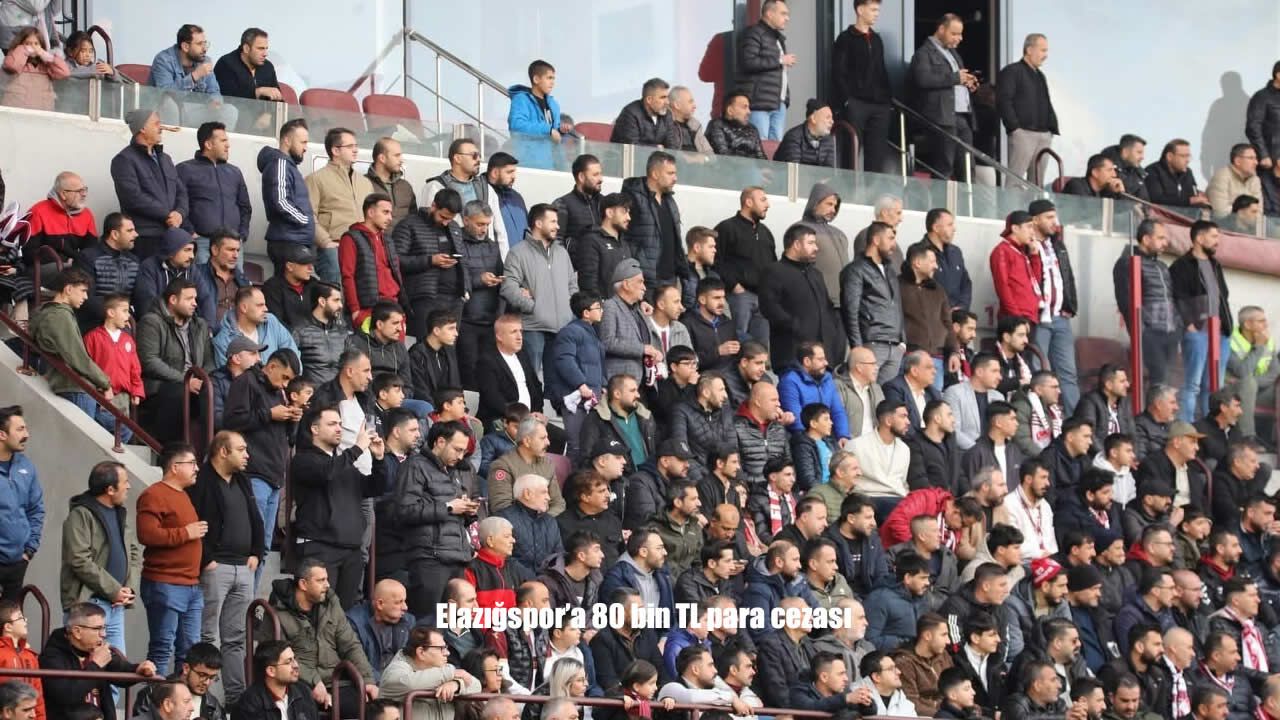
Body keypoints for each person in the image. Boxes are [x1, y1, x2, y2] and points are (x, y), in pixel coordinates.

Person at [187, 431, 260, 703]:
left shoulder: (243, 480)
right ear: (223, 452)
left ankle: (235, 699)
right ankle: (205, 698)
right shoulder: (201, 481)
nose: (247, 455)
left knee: (236, 638)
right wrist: (207, 559)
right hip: (216, 567)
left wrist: (257, 553)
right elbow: (194, 520)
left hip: (244, 567)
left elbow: (256, 518)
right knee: (208, 635)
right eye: (241, 449)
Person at [378, 421, 478, 616]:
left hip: (457, 557)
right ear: (440, 442)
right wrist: (449, 507)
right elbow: (405, 511)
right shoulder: (415, 466)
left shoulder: (455, 471)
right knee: (429, 622)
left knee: (457, 623)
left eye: (463, 452)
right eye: (457, 449)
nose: (460, 457)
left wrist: (466, 511)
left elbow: (450, 514)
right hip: (430, 559)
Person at [292, 405, 384, 609]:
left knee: (344, 615)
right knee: (319, 612)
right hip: (320, 548)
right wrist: (358, 448)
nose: (339, 429)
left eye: (341, 424)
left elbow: (374, 488)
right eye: (332, 424)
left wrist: (379, 460)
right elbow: (326, 472)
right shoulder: (303, 459)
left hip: (351, 551)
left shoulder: (344, 464)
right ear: (315, 429)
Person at [264, 558, 377, 714]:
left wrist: (367, 680)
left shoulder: (331, 603)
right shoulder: (277, 611)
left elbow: (350, 645)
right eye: (321, 580)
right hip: (298, 681)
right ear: (303, 584)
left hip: (336, 679)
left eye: (327, 579)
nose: (327, 585)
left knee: (370, 704)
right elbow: (277, 657)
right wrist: (314, 681)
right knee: (304, 706)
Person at [135, 443, 206, 676]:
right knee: (162, 648)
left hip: (190, 584)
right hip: (165, 583)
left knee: (190, 653)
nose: (197, 468)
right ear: (175, 467)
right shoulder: (154, 494)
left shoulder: (183, 495)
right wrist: (186, 533)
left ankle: (182, 697)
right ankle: (155, 698)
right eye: (192, 463)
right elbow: (147, 534)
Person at [60, 461, 139, 661]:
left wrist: (128, 589)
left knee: (117, 667)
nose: (129, 486)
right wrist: (114, 589)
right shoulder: (80, 515)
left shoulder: (120, 513)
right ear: (110, 489)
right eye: (125, 482)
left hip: (116, 606)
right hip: (88, 605)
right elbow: (78, 559)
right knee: (86, 665)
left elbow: (134, 552)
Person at [39, 602, 157, 720]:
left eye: (104, 628)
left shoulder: (93, 649)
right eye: (97, 629)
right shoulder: (52, 657)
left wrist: (138, 669)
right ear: (77, 632)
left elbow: (119, 671)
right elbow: (66, 696)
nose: (103, 634)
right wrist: (96, 665)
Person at [761, 223, 846, 371]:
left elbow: (827, 307)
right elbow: (769, 307)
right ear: (796, 244)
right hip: (792, 354)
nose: (816, 248)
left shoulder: (816, 274)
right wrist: (796, 326)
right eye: (811, 243)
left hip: (823, 356)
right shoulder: (774, 271)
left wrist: (833, 332)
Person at [501, 204, 577, 371]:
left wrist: (569, 310)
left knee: (558, 380)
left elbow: (572, 284)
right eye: (553, 222)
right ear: (538, 223)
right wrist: (533, 307)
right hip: (533, 329)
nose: (558, 226)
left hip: (562, 328)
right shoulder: (518, 252)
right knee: (532, 378)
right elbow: (508, 287)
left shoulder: (562, 253)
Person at [1172, 220, 1232, 421]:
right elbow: (1177, 298)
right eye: (1214, 236)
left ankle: (1210, 429)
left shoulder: (1216, 264)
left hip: (1221, 334)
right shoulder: (1181, 266)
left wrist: (1227, 326)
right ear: (1199, 238)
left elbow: (1223, 297)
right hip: (1198, 333)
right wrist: (1190, 326)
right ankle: (1186, 428)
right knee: (1192, 384)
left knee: (1214, 386)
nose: (1217, 241)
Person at [909, 14, 978, 180]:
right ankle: (940, 198)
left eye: (960, 34)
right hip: (941, 118)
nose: (959, 38)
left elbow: (956, 79)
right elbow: (923, 80)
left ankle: (967, 198)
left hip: (961, 117)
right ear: (941, 29)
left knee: (968, 167)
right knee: (944, 166)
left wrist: (968, 82)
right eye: (954, 34)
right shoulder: (923, 53)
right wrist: (955, 78)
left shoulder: (953, 54)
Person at [1113, 220, 1181, 388]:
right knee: (1159, 377)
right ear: (1146, 239)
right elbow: (1126, 301)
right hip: (1149, 332)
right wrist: (1140, 330)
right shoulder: (1128, 263)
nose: (1165, 243)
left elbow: (1171, 298)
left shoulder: (1162, 266)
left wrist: (1178, 326)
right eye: (1160, 238)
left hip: (1170, 331)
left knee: (1169, 379)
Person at [394, 189, 468, 341]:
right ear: (433, 206)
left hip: (454, 298)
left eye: (451, 218)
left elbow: (463, 261)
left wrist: (466, 289)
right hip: (425, 297)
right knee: (426, 344)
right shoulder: (409, 225)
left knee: (449, 346)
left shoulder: (454, 227)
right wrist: (430, 261)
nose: (446, 222)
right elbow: (396, 261)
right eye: (443, 217)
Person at [177, 123, 251, 267]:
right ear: (208, 144)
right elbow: (178, 203)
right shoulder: (185, 170)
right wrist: (190, 232)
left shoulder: (234, 172)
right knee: (203, 281)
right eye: (223, 141)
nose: (228, 145)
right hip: (202, 242)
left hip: (233, 244)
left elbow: (245, 207)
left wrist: (242, 235)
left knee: (236, 281)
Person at [308, 127, 375, 284]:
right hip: (334, 248)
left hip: (364, 248)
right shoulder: (316, 179)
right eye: (350, 146)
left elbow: (373, 216)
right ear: (335, 151)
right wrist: (326, 242)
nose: (356, 150)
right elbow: (308, 215)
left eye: (356, 146)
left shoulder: (365, 183)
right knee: (335, 293)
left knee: (364, 294)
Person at [831, 0, 892, 172]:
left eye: (877, 10)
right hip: (856, 104)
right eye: (873, 9)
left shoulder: (877, 39)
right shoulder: (845, 38)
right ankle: (848, 187)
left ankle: (873, 190)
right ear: (860, 10)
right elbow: (838, 72)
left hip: (880, 106)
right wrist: (847, 101)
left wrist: (887, 101)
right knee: (851, 152)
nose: (877, 14)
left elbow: (882, 71)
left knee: (877, 156)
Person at [712, 187, 774, 346]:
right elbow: (715, 260)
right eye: (763, 200)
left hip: (763, 299)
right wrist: (734, 285)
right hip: (740, 297)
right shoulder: (726, 228)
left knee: (761, 346)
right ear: (748, 202)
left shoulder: (765, 232)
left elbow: (773, 264)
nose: (768, 205)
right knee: (737, 341)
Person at [379, 626, 480, 720]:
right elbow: (409, 683)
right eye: (441, 648)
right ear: (421, 652)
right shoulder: (395, 670)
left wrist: (456, 684)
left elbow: (476, 685)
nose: (447, 653)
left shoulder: (442, 668)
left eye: (446, 647)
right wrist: (451, 673)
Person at [422, 139, 507, 250]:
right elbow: (426, 229)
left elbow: (500, 232)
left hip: (484, 254)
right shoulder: (435, 186)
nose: (479, 159)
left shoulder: (486, 188)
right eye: (474, 155)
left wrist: (503, 259)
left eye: (479, 155)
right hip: (451, 253)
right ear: (457, 158)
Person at [258, 118, 315, 277]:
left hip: (294, 240)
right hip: (288, 242)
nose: (305, 148)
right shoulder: (280, 164)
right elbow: (281, 201)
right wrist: (304, 220)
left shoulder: (288, 166)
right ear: (287, 141)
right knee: (287, 287)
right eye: (302, 142)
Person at [338, 193, 403, 330]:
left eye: (390, 213)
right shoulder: (350, 238)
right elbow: (347, 276)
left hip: (394, 307)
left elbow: (396, 274)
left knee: (397, 345)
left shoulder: (388, 240)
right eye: (385, 212)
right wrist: (355, 310)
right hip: (368, 309)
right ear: (371, 212)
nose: (390, 218)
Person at [997, 34, 1058, 180]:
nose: (1046, 55)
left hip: (1043, 134)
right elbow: (1003, 100)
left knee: (1037, 183)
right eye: (1043, 50)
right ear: (1029, 50)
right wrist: (1015, 128)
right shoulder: (1012, 71)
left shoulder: (1040, 75)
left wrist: (1050, 130)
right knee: (1015, 180)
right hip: (1023, 133)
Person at [622, 151, 683, 289]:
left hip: (670, 279)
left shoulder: (669, 200)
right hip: (645, 280)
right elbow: (624, 238)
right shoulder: (632, 198)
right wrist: (637, 268)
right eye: (670, 173)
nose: (675, 178)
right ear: (655, 174)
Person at [735, 0, 793, 141]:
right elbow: (748, 62)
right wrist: (779, 60)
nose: (787, 18)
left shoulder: (778, 39)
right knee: (760, 146)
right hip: (759, 104)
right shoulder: (753, 33)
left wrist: (785, 100)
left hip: (778, 103)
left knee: (775, 149)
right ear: (769, 13)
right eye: (783, 13)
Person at [23, 171, 98, 272]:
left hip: (75, 268)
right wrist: (63, 260)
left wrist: (75, 260)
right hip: (44, 269)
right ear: (63, 194)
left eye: (85, 190)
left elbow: (92, 250)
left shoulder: (87, 214)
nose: (84, 194)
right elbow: (28, 254)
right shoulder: (38, 211)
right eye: (79, 191)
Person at [75, 212, 140, 328]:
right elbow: (87, 296)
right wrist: (116, 316)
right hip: (93, 325)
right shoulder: (87, 257)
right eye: (130, 231)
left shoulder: (133, 260)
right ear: (114, 234)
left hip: (124, 322)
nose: (136, 234)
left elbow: (138, 296)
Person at [131, 642, 225, 720]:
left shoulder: (214, 707)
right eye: (202, 675)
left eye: (212, 677)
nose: (206, 682)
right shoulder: (151, 694)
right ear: (186, 668)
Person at [232, 641, 319, 720]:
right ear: (271, 671)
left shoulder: (303, 692)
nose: (296, 665)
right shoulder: (249, 704)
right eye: (288, 662)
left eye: (294, 659)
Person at [865, 550, 930, 650]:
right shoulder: (880, 599)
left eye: (928, 578)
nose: (927, 583)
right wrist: (901, 644)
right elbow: (868, 641)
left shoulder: (922, 598)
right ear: (907, 578)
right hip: (890, 656)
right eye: (923, 578)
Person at [892, 613, 954, 716]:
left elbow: (956, 688)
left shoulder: (944, 655)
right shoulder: (904, 662)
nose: (948, 641)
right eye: (943, 635)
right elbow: (911, 703)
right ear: (927, 636)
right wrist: (943, 715)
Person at [507, 59, 563, 169]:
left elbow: (555, 136)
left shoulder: (553, 104)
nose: (552, 82)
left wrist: (561, 131)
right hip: (528, 165)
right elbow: (516, 125)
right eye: (549, 78)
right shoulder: (521, 99)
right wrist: (548, 130)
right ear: (536, 79)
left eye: (553, 79)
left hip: (550, 166)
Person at [944, 354, 1006, 451]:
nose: (1000, 377)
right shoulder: (955, 393)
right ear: (979, 372)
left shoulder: (998, 397)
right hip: (965, 454)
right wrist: (979, 451)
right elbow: (953, 430)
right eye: (994, 371)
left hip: (995, 453)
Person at [1, 25, 68, 110]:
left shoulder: (47, 65)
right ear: (20, 44)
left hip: (42, 112)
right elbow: (12, 66)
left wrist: (46, 56)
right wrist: (24, 50)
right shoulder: (13, 58)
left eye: (36, 44)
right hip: (16, 111)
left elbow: (64, 72)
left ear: (41, 46)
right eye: (27, 43)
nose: (32, 47)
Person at [952, 612, 1007, 715]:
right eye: (992, 635)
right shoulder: (956, 663)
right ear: (975, 638)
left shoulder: (997, 660)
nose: (998, 640)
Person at [1074, 364, 1136, 454]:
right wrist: (1105, 457)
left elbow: (1132, 435)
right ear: (1109, 385)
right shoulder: (1089, 402)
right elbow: (1089, 435)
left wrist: (1132, 456)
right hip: (1096, 459)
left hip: (1119, 457)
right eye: (1122, 381)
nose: (1128, 384)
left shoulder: (1124, 402)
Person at [554, 154, 604, 264]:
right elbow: (556, 243)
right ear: (581, 177)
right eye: (595, 175)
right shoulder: (563, 204)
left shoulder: (605, 203)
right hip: (575, 271)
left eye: (601, 174)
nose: (601, 179)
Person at [213, 27, 281, 105]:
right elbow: (228, 99)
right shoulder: (226, 64)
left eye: (266, 49)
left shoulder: (268, 67)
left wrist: (268, 114)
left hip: (264, 113)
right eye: (260, 49)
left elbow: (278, 99)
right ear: (246, 48)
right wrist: (258, 92)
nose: (265, 54)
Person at [1247, 61, 1280, 215]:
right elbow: (1253, 127)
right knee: (1271, 205)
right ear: (1278, 75)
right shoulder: (1262, 97)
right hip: (1270, 159)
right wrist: (1264, 154)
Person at [0, 601, 42, 720]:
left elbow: (39, 697)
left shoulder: (30, 656)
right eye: (20, 618)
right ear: (8, 627)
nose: (25, 621)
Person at [610, 78, 680, 148]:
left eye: (667, 97)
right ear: (649, 100)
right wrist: (656, 148)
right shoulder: (630, 114)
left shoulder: (667, 114)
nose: (667, 102)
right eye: (663, 97)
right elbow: (631, 146)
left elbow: (672, 146)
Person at [366, 137, 417, 228]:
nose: (401, 160)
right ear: (382, 158)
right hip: (373, 237)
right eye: (396, 155)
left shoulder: (406, 187)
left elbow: (414, 219)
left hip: (403, 236)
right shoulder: (363, 184)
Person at [1145, 139, 1211, 209]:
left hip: (1188, 214)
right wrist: (1189, 201)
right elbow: (1156, 199)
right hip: (1161, 215)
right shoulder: (1152, 171)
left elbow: (1193, 194)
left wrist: (1201, 199)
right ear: (1169, 157)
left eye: (1188, 156)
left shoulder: (1188, 172)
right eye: (1183, 156)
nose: (1188, 160)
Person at [1207, 144, 1262, 219]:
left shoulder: (1255, 179)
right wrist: (1246, 212)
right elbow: (1220, 212)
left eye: (1256, 158)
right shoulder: (1222, 176)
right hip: (1225, 224)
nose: (1256, 162)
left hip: (1249, 223)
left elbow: (1259, 211)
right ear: (1237, 161)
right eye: (1251, 158)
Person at [706, 92, 767, 159]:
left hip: (749, 165)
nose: (749, 112)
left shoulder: (752, 128)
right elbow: (723, 156)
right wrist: (751, 158)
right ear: (730, 110)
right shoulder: (717, 125)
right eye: (744, 107)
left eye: (748, 108)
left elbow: (761, 157)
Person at [668, 85, 714, 155]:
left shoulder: (695, 125)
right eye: (690, 102)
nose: (694, 106)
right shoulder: (665, 125)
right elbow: (672, 153)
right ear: (677, 105)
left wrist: (704, 158)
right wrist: (688, 159)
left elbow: (711, 155)